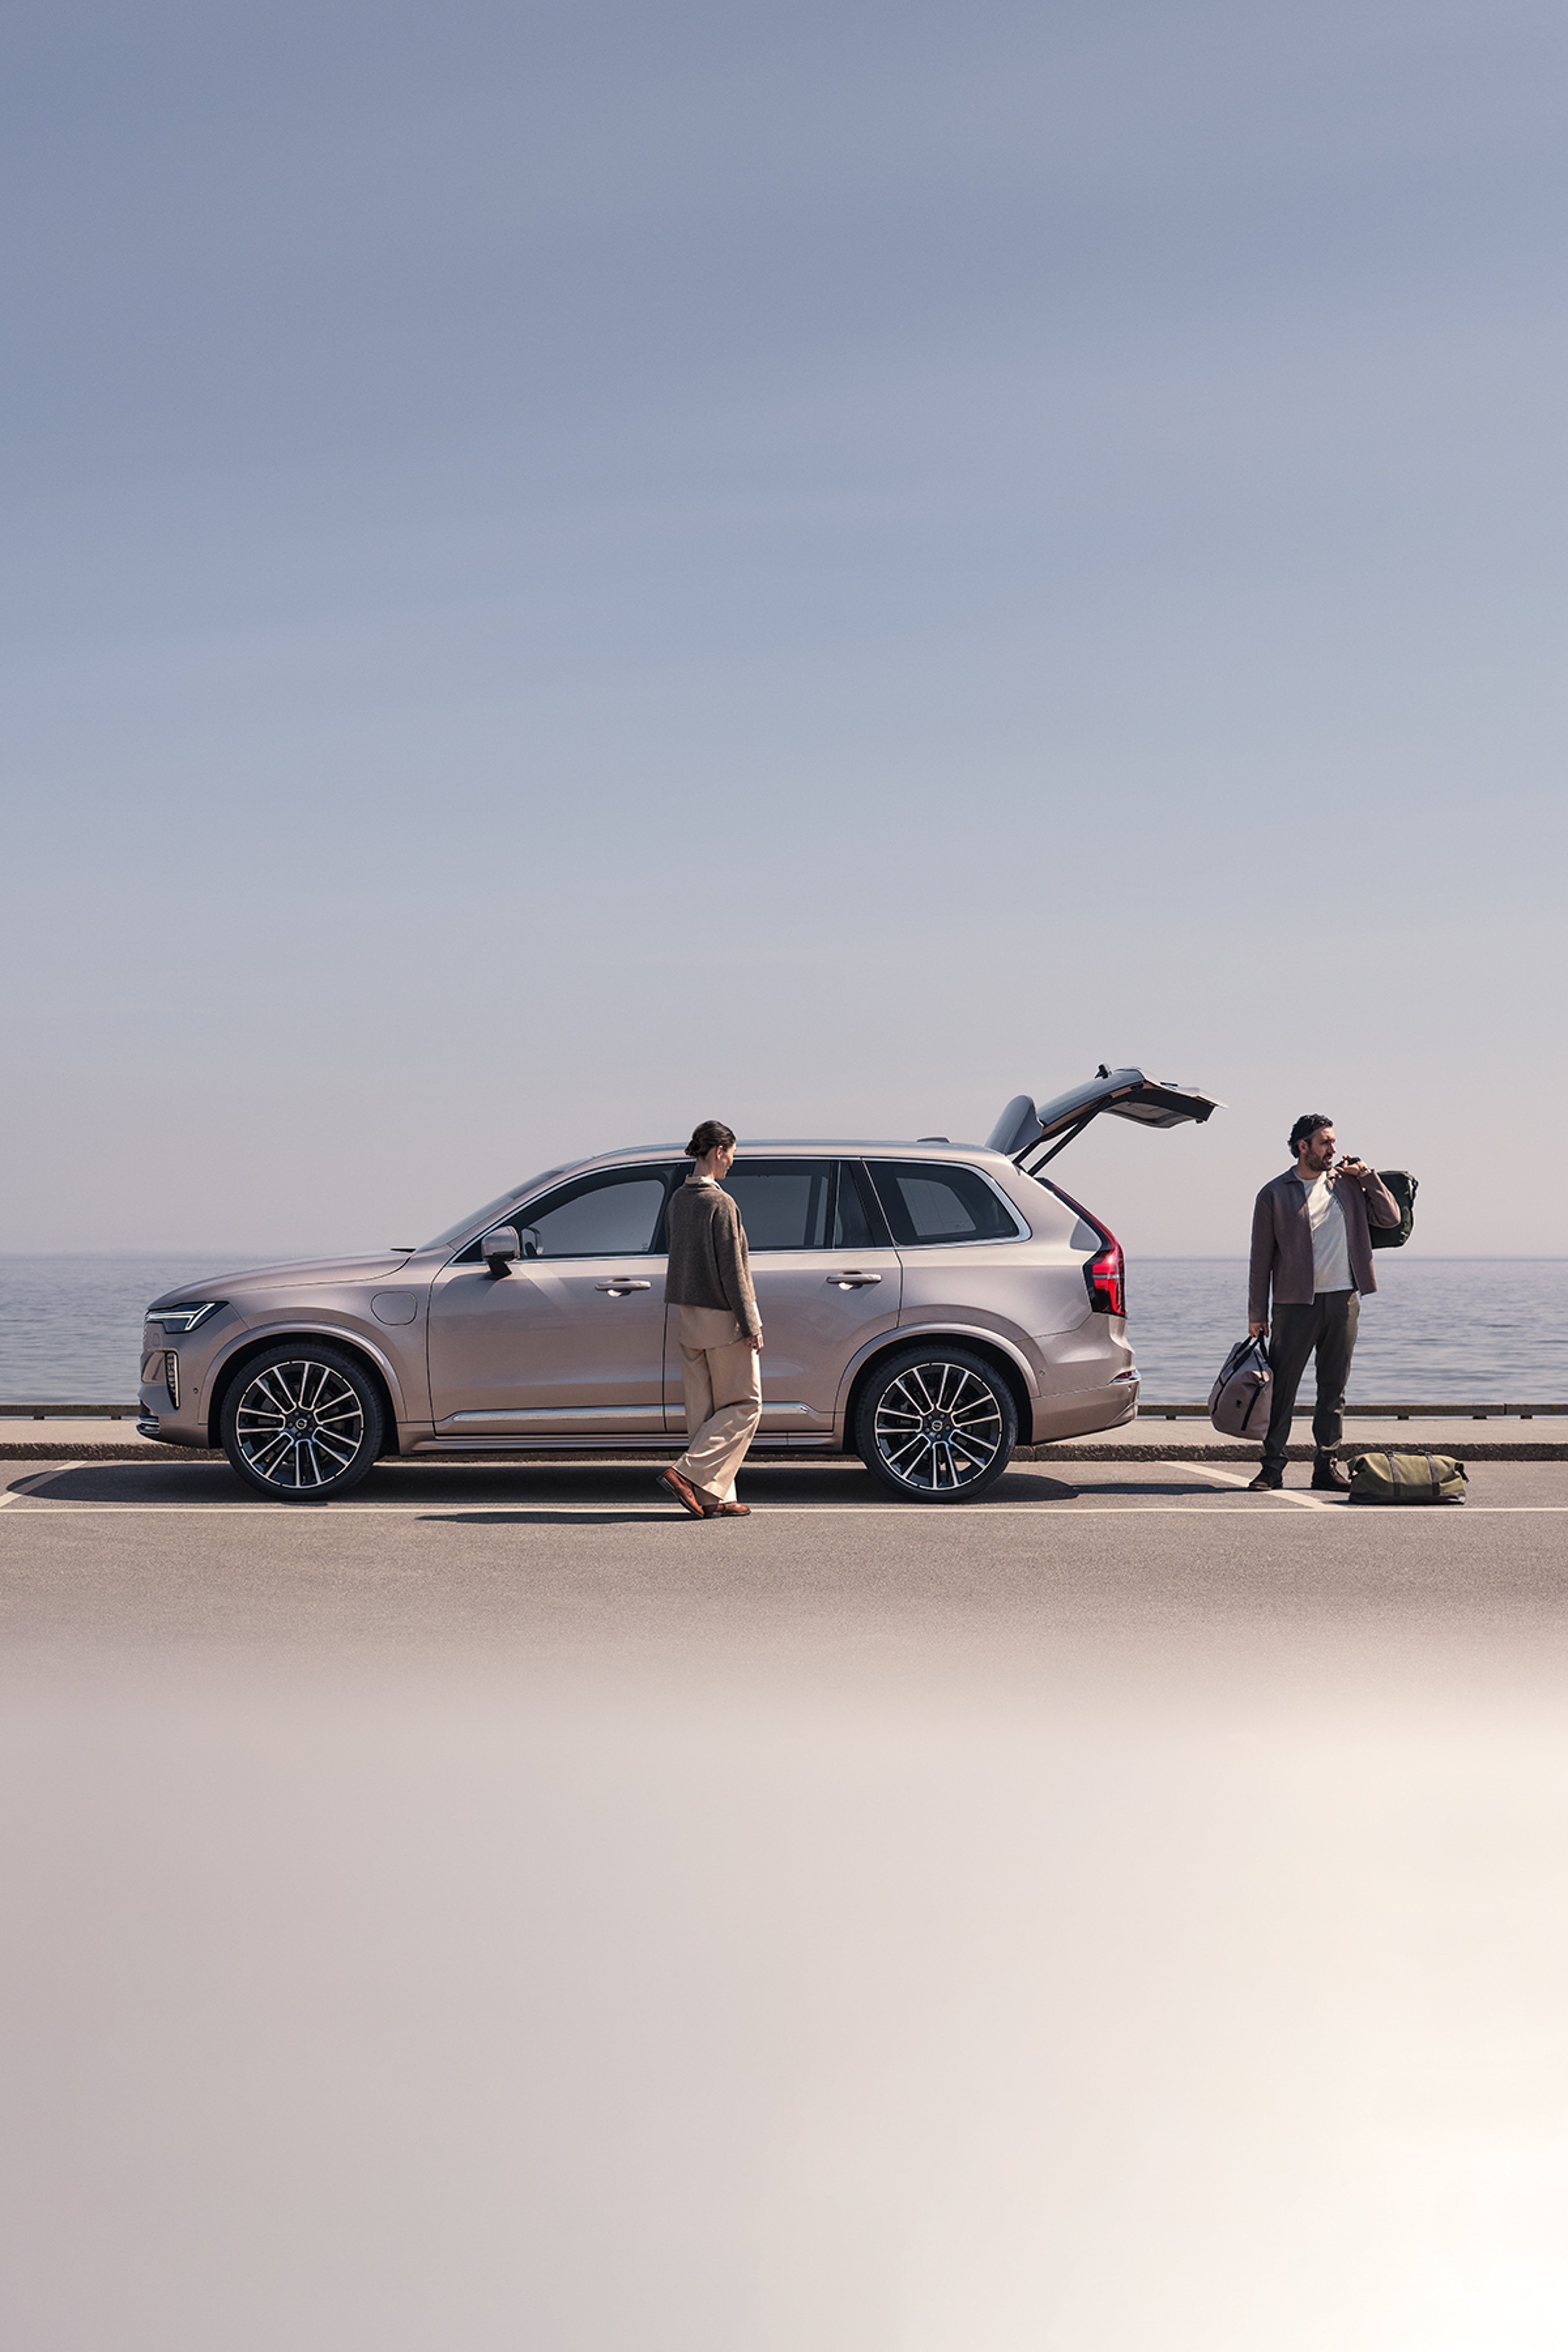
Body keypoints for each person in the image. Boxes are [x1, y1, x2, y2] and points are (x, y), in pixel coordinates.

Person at [1247, 1114, 1401, 1492]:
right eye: (1325, 1143)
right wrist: (1257, 1314)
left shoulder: (1349, 1186)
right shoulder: (1274, 1193)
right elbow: (1260, 1259)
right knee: (1283, 1388)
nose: (1333, 1149)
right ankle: (1272, 1466)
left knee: (1333, 1388)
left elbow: (1390, 1217)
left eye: (1333, 1142)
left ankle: (1326, 1465)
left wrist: (1367, 1176)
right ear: (1304, 1147)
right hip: (1294, 1303)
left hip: (1344, 1299)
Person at [657, 1121, 763, 1520]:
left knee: (705, 1412)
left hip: (688, 1319)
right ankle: (685, 1473)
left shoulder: (677, 1202)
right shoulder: (721, 1205)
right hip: (722, 1319)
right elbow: (734, 1272)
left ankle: (713, 1497)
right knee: (745, 1406)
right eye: (732, 1154)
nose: (732, 1163)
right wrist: (751, 1325)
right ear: (718, 1151)